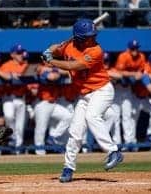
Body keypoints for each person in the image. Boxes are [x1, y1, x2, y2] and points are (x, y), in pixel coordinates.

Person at [41, 18, 123, 183]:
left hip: (102, 90)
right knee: (75, 132)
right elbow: (54, 48)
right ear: (78, 37)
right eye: (88, 36)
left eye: (93, 35)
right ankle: (68, 168)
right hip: (85, 94)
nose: (92, 38)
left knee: (92, 116)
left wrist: (51, 61)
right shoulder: (69, 45)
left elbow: (73, 66)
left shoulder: (96, 50)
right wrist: (49, 51)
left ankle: (113, 151)